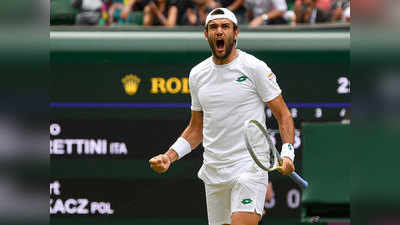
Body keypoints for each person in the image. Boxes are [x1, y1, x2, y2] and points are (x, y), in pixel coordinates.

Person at [149, 8, 295, 225]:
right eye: (213, 27)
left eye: (225, 26)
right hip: (214, 171)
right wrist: (169, 157)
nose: (219, 32)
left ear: (235, 33)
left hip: (249, 167)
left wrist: (288, 153)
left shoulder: (254, 68)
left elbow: (283, 114)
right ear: (206, 34)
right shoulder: (197, 75)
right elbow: (196, 128)